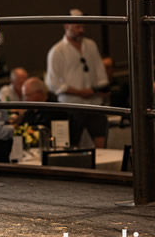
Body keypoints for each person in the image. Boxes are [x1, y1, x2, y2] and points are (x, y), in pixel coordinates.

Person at [45, 12, 109, 148]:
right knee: (72, 144)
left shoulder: (91, 45)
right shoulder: (57, 51)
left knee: (101, 138)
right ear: (66, 26)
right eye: (77, 27)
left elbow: (100, 72)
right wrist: (80, 92)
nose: (81, 30)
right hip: (71, 105)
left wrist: (101, 89)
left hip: (94, 103)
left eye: (83, 27)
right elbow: (53, 83)